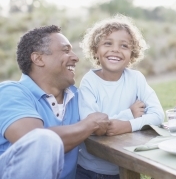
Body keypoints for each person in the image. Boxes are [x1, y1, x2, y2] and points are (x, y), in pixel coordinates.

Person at [0, 25, 110, 179]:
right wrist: (89, 124)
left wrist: (132, 112)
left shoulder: (78, 96)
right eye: (66, 50)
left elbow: (107, 118)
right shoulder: (10, 92)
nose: (75, 57)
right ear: (38, 59)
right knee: (43, 139)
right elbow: (35, 143)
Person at [76, 14, 164, 178]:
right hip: (90, 170)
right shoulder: (89, 82)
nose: (115, 49)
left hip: (124, 167)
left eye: (124, 46)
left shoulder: (136, 79)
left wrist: (127, 125)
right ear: (96, 50)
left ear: (132, 53)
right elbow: (93, 127)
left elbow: (158, 115)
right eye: (107, 43)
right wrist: (129, 114)